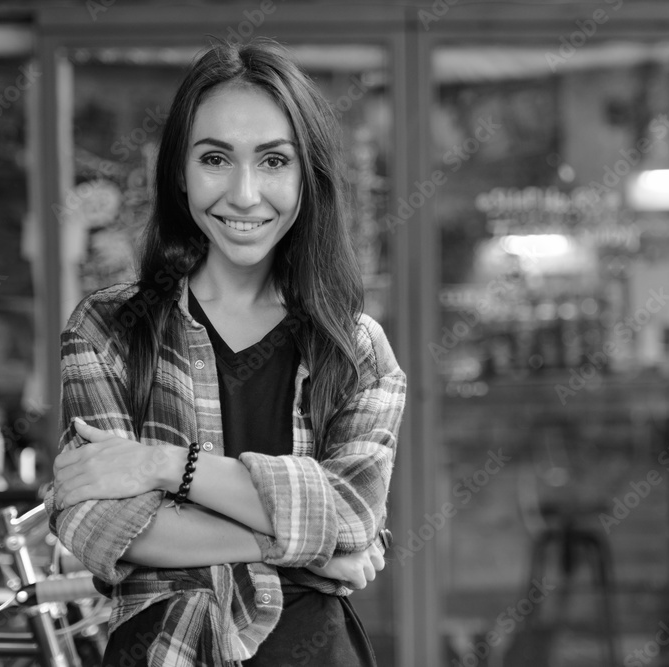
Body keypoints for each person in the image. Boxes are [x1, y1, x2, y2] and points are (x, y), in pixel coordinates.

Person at [44, 39, 406, 667]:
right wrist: (307, 547)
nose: (244, 194)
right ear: (180, 174)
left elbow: (352, 510)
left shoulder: (355, 348)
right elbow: (96, 524)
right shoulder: (108, 328)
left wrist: (163, 465)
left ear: (307, 176)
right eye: (216, 158)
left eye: (273, 161)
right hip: (165, 650)